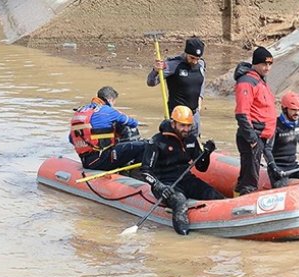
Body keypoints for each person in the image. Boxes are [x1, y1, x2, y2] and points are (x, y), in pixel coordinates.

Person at [140, 105, 223, 235]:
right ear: (173, 123)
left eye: (188, 126)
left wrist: (207, 154)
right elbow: (145, 171)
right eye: (182, 125)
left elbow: (201, 167)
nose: (186, 129)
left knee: (212, 194)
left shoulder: (191, 140)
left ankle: (223, 223)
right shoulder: (157, 141)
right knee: (179, 201)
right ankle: (184, 236)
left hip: (186, 179)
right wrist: (158, 186)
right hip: (165, 183)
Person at [69, 86, 145, 171]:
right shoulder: (108, 111)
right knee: (145, 145)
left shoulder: (81, 111)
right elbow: (131, 123)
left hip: (86, 160)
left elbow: (71, 139)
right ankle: (135, 173)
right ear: (109, 100)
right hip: (101, 159)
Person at [233, 46, 277, 196]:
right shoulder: (247, 82)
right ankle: (244, 208)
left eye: (270, 64)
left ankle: (237, 196)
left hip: (262, 136)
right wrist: (252, 140)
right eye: (264, 64)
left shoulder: (260, 80)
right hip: (252, 137)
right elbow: (242, 113)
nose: (268, 68)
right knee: (249, 180)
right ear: (255, 64)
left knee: (248, 175)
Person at [147, 37, 206, 135]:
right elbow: (151, 82)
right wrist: (155, 71)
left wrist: (200, 97)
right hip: (177, 117)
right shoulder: (172, 65)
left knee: (194, 145)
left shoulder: (201, 64)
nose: (195, 61)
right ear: (186, 53)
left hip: (194, 114)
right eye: (192, 58)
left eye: (197, 58)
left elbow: (202, 81)